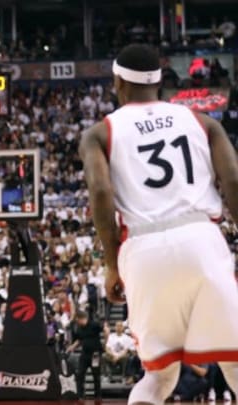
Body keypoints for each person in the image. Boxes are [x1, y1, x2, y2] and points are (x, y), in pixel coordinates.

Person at [80, 43, 238, 405]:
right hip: (201, 238)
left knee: (159, 375)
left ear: (118, 81)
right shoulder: (203, 121)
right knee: (234, 362)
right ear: (160, 82)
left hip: (143, 246)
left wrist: (110, 264)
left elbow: (101, 191)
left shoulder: (99, 133)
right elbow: (233, 182)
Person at [66, 311, 102, 399]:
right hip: (85, 354)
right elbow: (79, 340)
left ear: (81, 318)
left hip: (95, 355)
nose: (77, 322)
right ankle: (80, 395)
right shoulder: (79, 328)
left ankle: (98, 396)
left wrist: (106, 342)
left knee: (96, 375)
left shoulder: (94, 325)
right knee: (80, 374)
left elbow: (105, 329)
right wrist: (72, 347)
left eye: (77, 320)